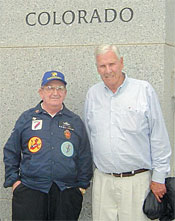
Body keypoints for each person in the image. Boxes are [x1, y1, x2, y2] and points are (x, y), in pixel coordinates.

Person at [84, 44, 172, 221]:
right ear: (97, 68)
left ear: (121, 63)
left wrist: (159, 177)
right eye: (102, 66)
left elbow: (158, 136)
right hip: (104, 181)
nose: (108, 70)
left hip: (137, 182)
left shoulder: (143, 90)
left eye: (112, 64)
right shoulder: (93, 94)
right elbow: (89, 136)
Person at [4, 70, 93, 221]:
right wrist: (14, 182)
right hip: (31, 191)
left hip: (65, 193)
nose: (55, 93)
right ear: (41, 92)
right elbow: (11, 150)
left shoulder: (74, 121)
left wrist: (81, 186)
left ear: (65, 93)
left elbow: (85, 155)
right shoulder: (27, 118)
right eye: (49, 88)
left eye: (59, 88)